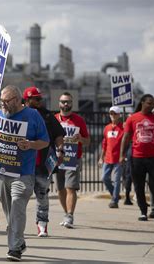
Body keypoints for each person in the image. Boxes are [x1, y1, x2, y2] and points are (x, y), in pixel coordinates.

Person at [0, 85, 49, 261]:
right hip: (0, 171)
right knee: (10, 213)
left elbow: (45, 141)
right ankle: (19, 240)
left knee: (17, 206)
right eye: (1, 101)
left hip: (23, 173)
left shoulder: (33, 116)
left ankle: (14, 248)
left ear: (17, 100)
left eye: (7, 101)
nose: (3, 104)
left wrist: (31, 145)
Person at [119, 94, 154, 222]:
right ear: (142, 102)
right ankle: (143, 212)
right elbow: (125, 138)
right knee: (138, 186)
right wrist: (121, 155)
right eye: (149, 103)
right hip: (137, 159)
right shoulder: (133, 118)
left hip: (153, 158)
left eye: (153, 104)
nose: (152, 106)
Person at [23, 86, 64, 237]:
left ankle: (42, 225)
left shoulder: (47, 116)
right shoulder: (19, 114)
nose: (40, 101)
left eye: (41, 98)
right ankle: (15, 224)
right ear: (27, 100)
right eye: (37, 98)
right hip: (23, 164)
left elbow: (59, 135)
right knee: (20, 197)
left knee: (42, 194)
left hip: (43, 164)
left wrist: (60, 150)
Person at [54, 92, 90, 228]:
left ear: (72, 103)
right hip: (58, 159)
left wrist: (80, 138)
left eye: (68, 101)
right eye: (63, 101)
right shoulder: (55, 119)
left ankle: (70, 215)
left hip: (73, 159)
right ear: (59, 103)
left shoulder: (79, 120)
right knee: (60, 189)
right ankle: (66, 213)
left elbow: (88, 141)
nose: (65, 104)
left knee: (71, 188)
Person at [98, 106, 124, 208]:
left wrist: (124, 155)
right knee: (104, 178)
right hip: (108, 158)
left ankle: (114, 200)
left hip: (118, 158)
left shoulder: (123, 127)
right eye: (111, 114)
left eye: (115, 114)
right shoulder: (107, 128)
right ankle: (115, 194)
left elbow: (127, 142)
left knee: (117, 180)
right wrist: (101, 157)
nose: (112, 115)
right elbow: (104, 144)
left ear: (119, 115)